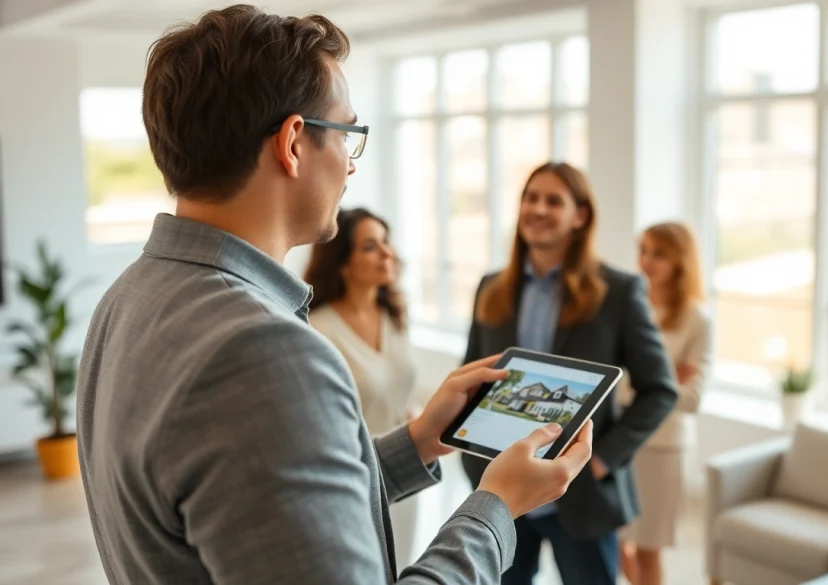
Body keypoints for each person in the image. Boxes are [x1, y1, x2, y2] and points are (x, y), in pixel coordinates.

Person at [75, 6, 594, 585]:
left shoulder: (125, 299)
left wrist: (417, 442)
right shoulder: (264, 352)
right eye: (348, 135)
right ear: (293, 142)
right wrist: (496, 506)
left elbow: (268, 512)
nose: (350, 165)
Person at [459, 162, 678, 585]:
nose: (538, 209)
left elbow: (661, 390)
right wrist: (471, 454)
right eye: (531, 198)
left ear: (580, 216)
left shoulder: (619, 291)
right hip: (504, 487)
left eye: (553, 201)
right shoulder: (491, 287)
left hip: (582, 495)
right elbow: (472, 374)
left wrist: (600, 460)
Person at [304, 207, 426, 571]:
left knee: (401, 567)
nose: (388, 253)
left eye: (386, 242)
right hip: (356, 479)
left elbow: (399, 387)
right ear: (342, 262)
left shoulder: (394, 314)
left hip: (406, 469)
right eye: (371, 246)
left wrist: (414, 414)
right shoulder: (317, 329)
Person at [617, 222, 711, 585]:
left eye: (658, 253)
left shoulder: (697, 319)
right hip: (620, 440)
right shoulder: (630, 305)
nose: (646, 261)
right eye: (643, 250)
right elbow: (613, 380)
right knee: (614, 541)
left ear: (680, 260)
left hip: (663, 449)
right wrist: (664, 380)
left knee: (648, 549)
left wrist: (645, 385)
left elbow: (692, 399)